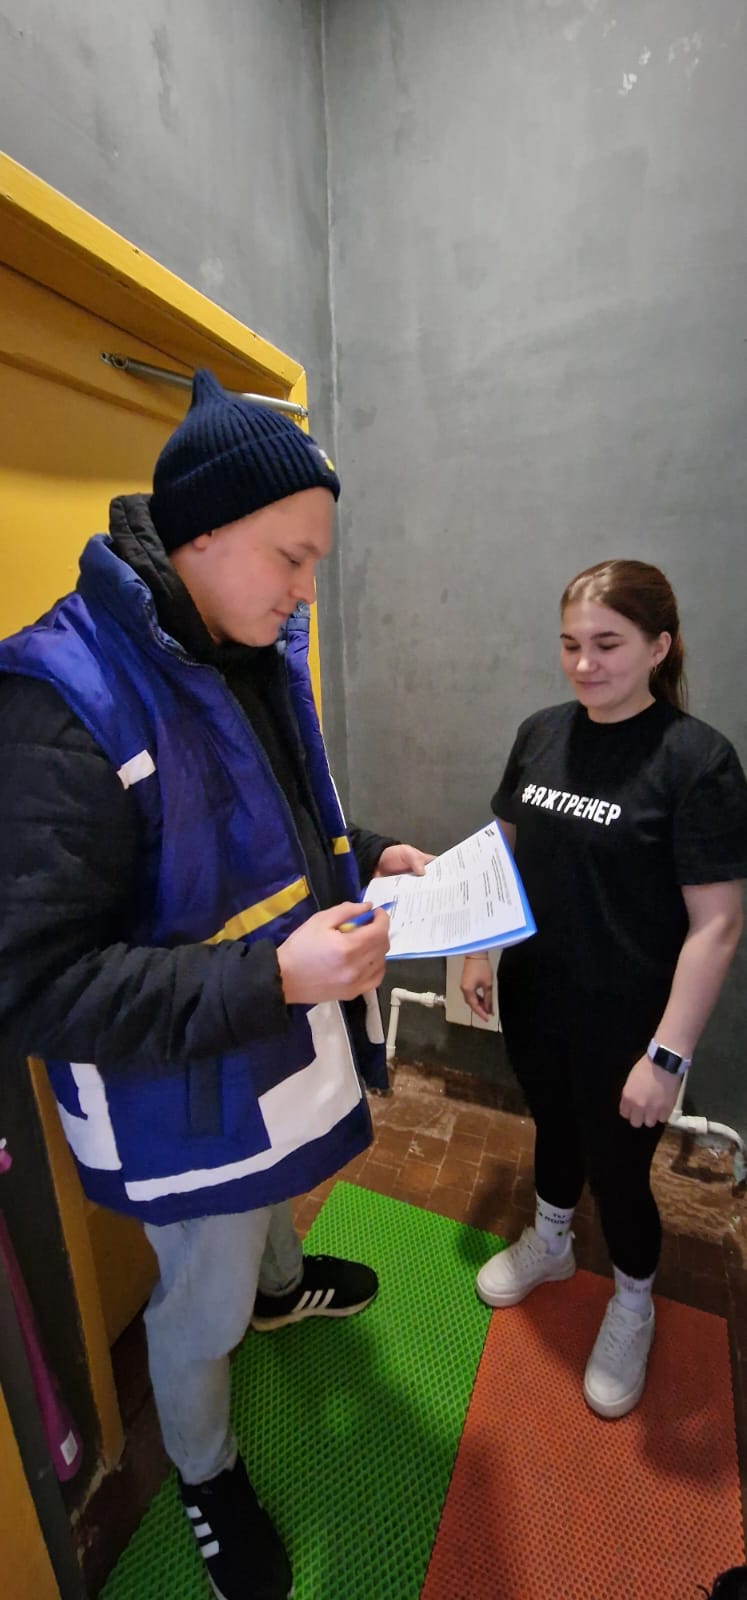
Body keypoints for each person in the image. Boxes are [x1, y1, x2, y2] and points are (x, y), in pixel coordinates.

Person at [0, 370, 430, 1600]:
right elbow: (37, 985)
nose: (307, 592)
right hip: (180, 1096)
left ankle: (283, 1293)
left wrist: (369, 850)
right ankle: (204, 1468)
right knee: (202, 1302)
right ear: (202, 532)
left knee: (269, 1216)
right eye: (293, 559)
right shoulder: (57, 701)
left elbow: (263, 820)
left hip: (267, 1042)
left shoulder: (243, 644)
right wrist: (273, 976)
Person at [461, 560, 747, 1420]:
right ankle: (550, 1243)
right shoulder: (540, 733)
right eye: (570, 644)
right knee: (552, 1127)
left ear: (658, 647)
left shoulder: (696, 761)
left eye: (607, 644)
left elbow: (717, 926)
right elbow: (500, 852)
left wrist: (666, 1056)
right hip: (535, 993)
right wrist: (475, 951)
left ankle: (631, 1301)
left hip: (630, 1023)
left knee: (619, 1173)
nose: (583, 664)